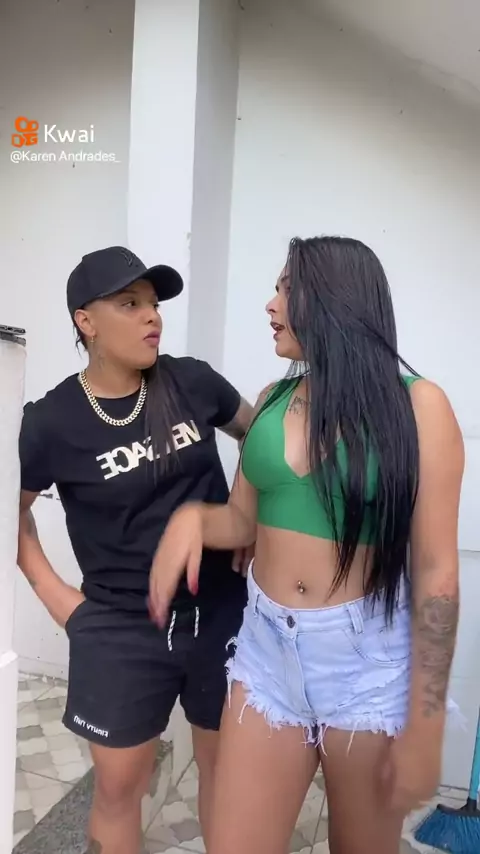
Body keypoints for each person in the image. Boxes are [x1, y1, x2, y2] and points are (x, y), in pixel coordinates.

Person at [149, 236, 465, 854]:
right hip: (267, 653)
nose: (270, 305)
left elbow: (436, 573)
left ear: (335, 298)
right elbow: (242, 522)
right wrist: (193, 521)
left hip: (365, 665)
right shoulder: (273, 400)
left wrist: (426, 726)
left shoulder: (418, 405)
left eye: (286, 289)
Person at [17, 246, 253, 854]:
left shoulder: (192, 381)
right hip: (119, 626)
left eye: (153, 303)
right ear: (85, 321)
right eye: (129, 303)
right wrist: (61, 602)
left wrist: (246, 521)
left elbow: (265, 441)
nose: (152, 316)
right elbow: (10, 515)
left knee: (227, 775)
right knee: (121, 787)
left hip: (220, 612)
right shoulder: (50, 421)